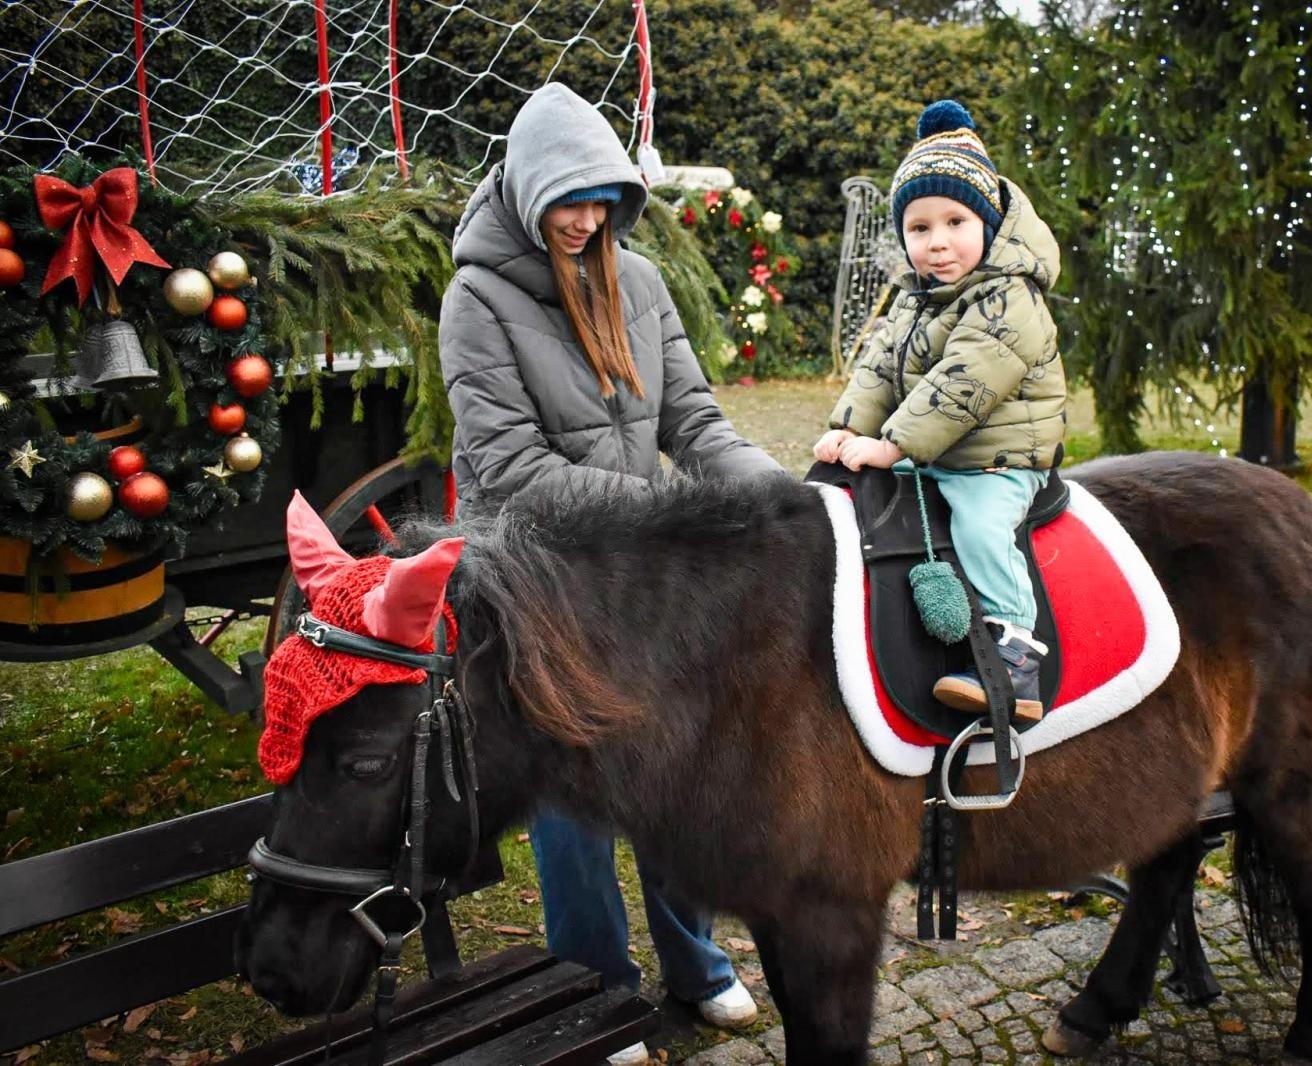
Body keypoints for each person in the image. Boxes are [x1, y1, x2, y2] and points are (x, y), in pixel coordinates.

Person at [438, 82, 782, 1066]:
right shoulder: (476, 300)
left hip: (637, 580)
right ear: (527, 189)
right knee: (574, 802)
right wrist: (668, 516)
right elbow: (514, 470)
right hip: (538, 587)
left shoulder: (637, 281)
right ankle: (593, 990)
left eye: (603, 199)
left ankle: (696, 964)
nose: (586, 220)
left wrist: (780, 494)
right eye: (568, 199)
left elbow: (695, 423)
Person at [814, 100, 1066, 719]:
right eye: (919, 228)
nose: (938, 242)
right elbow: (879, 367)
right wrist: (848, 426)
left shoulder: (1008, 297)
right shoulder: (916, 298)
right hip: (936, 454)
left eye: (956, 221)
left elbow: (963, 382)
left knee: (979, 526)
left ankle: (1016, 650)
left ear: (989, 223)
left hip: (996, 460)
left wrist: (892, 445)